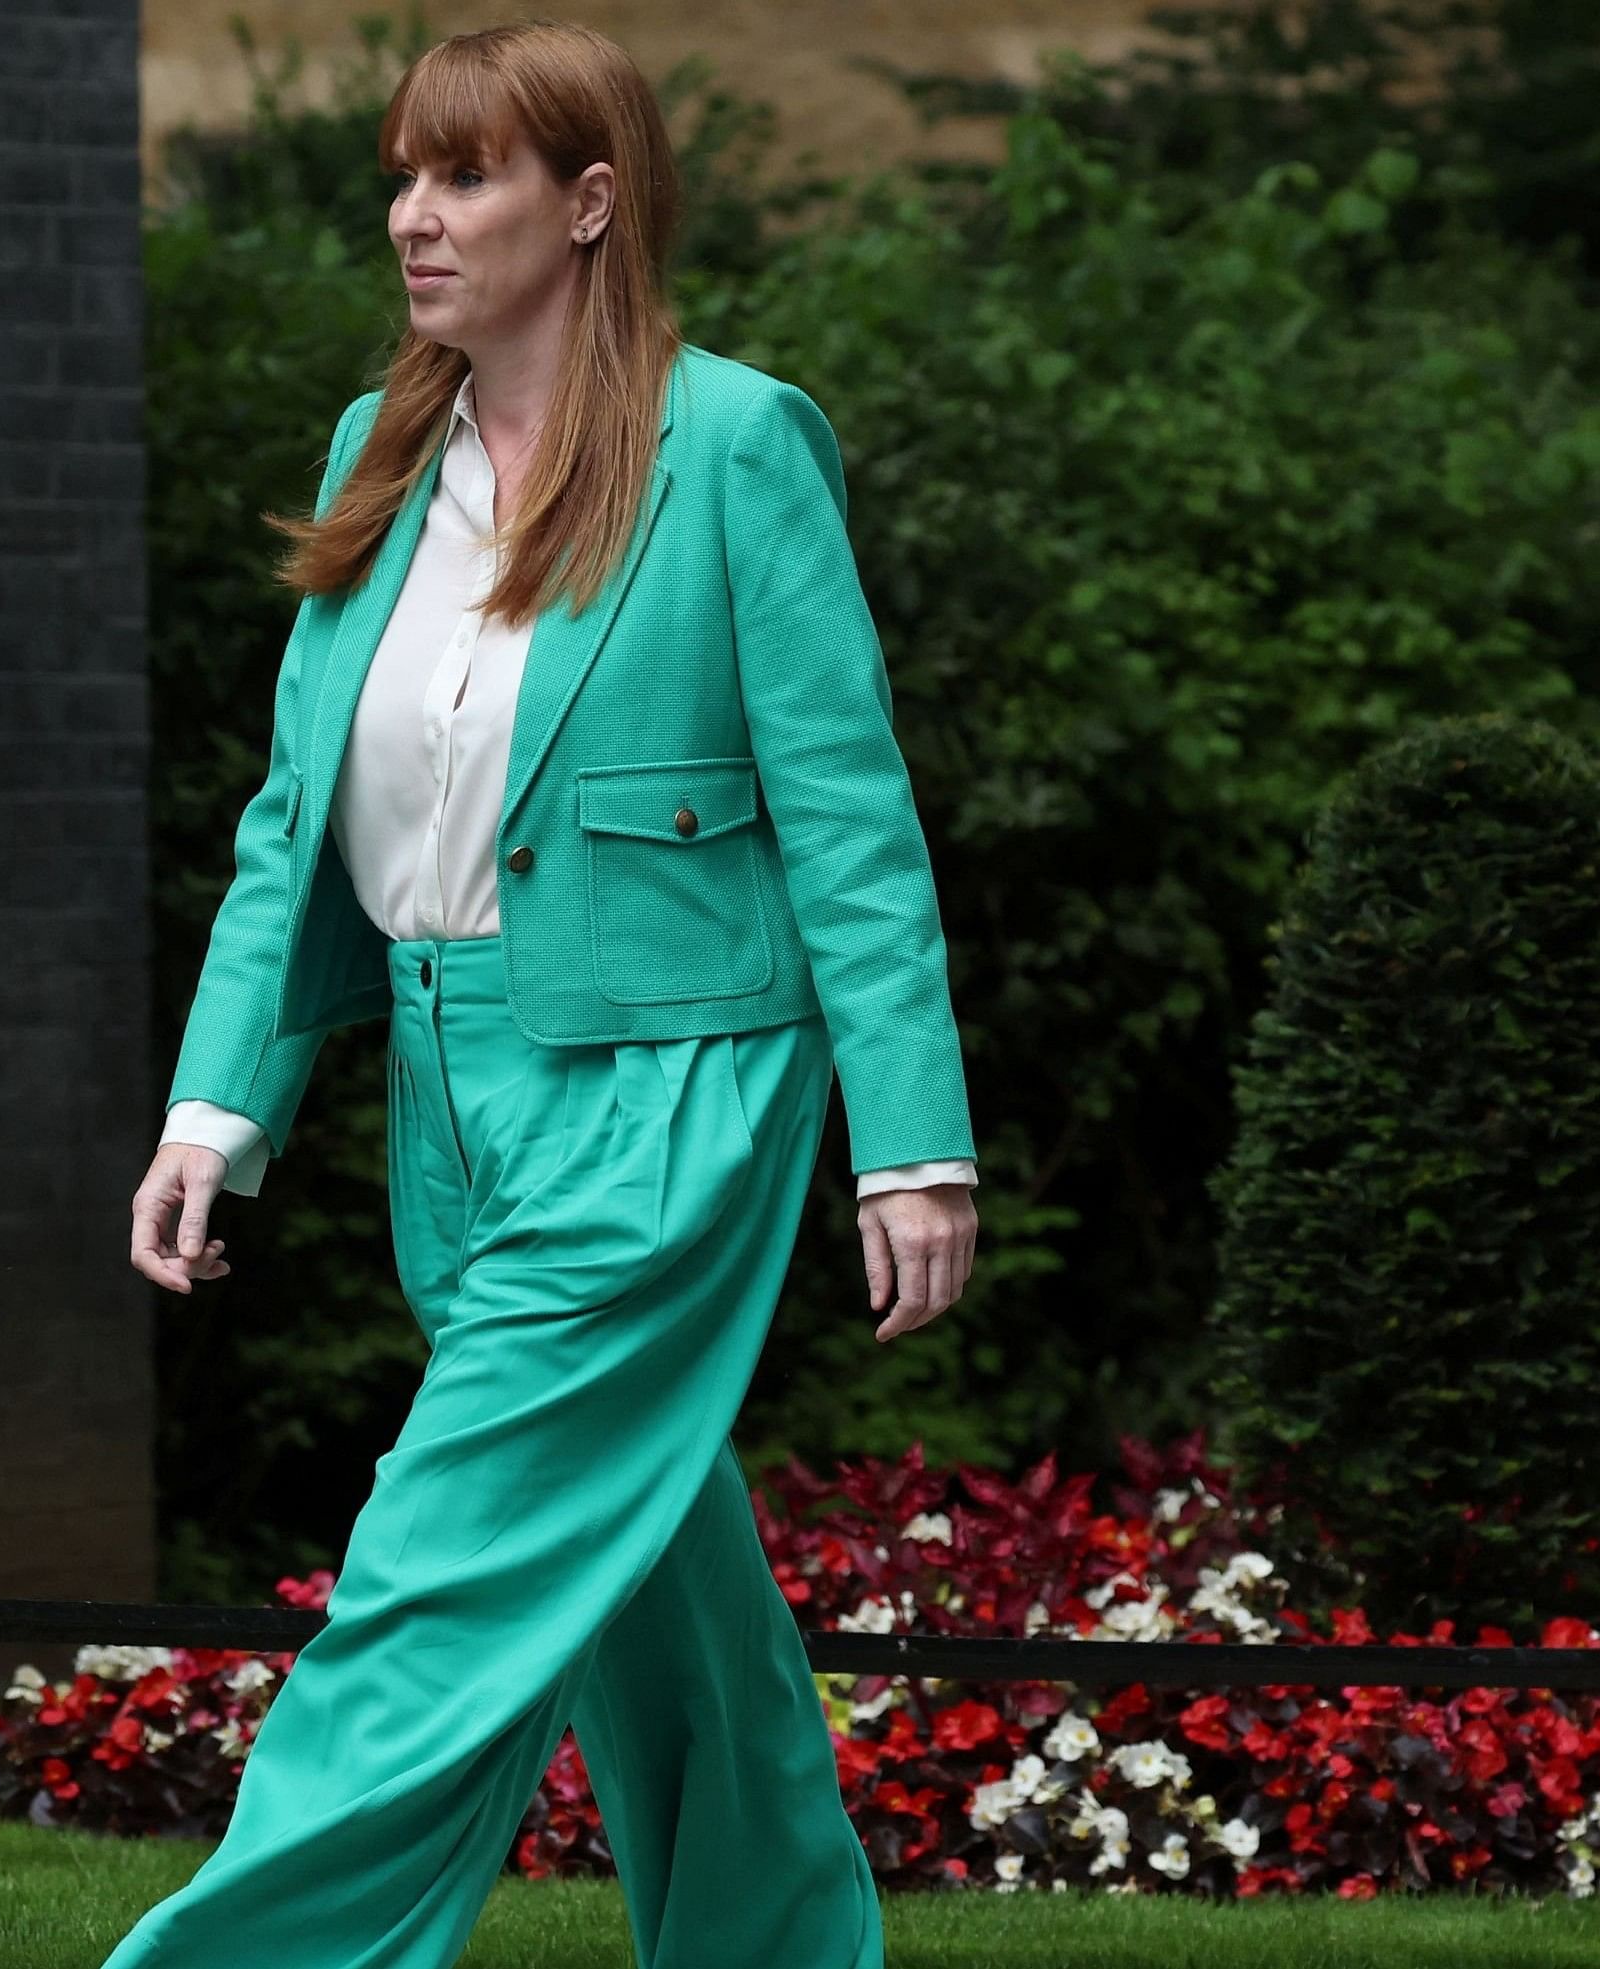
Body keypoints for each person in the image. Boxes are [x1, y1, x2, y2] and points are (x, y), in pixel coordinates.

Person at [113, 20, 979, 1969]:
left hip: (672, 1088)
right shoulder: (377, 447)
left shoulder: (736, 443)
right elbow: (290, 812)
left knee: (433, 1582)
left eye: (468, 177)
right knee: (653, 1569)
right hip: (447, 1088)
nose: (416, 218)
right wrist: (210, 1110)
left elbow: (845, 815)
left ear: (587, 205)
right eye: (406, 179)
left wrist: (910, 1144)